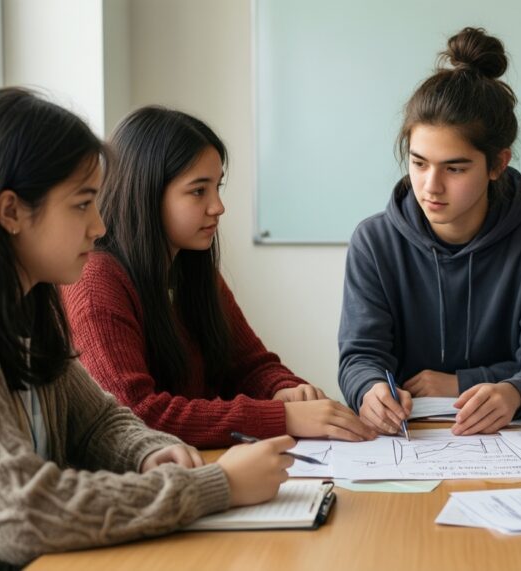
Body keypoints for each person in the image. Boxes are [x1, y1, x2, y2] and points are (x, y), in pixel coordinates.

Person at [0, 88, 295, 569]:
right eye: (82, 204)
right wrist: (213, 485)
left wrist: (147, 452)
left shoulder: (27, 305)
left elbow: (98, 418)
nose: (99, 226)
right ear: (10, 212)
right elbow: (17, 512)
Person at [62, 107, 375, 448]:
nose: (218, 206)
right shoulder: (96, 282)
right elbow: (137, 414)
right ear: (147, 192)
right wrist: (283, 417)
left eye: (217, 187)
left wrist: (284, 389)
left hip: (199, 466)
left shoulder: (191, 268)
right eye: (199, 191)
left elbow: (249, 365)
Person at [338, 27, 521, 436]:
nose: (431, 185)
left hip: (508, 438)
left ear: (497, 164)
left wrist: (505, 390)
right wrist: (369, 389)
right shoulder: (373, 242)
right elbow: (361, 356)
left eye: (455, 168)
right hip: (410, 440)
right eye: (418, 163)